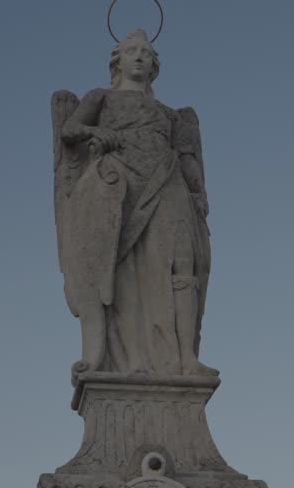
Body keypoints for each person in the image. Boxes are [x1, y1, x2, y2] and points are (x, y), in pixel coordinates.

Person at [53, 29, 217, 378]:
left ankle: (186, 357)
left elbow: (186, 155)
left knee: (182, 262)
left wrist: (197, 188)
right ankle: (131, 356)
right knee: (124, 269)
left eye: (146, 51)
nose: (140, 56)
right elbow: (69, 131)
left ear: (154, 64)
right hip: (120, 184)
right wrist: (96, 133)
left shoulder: (169, 113)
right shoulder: (100, 98)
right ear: (118, 60)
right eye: (131, 51)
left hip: (167, 181)